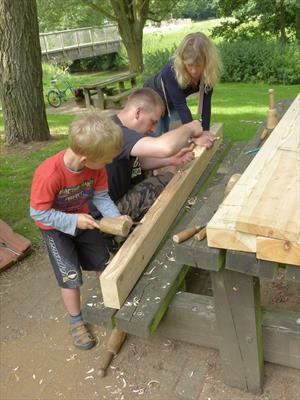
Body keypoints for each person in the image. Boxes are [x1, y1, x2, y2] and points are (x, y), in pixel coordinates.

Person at [30, 112, 131, 351]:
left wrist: (114, 217)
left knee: (103, 262)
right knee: (70, 276)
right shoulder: (48, 175)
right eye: (106, 160)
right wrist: (73, 220)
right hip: (55, 229)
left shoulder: (96, 168)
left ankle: (114, 302)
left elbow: (101, 195)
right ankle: (76, 320)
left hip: (83, 220)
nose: (108, 164)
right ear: (85, 159)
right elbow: (39, 214)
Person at [105, 87, 216, 223]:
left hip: (115, 199)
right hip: (106, 214)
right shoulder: (117, 133)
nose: (153, 129)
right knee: (165, 180)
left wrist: (170, 160)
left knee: (150, 176)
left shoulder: (117, 126)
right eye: (153, 122)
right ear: (138, 112)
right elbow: (165, 147)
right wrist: (189, 128)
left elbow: (142, 162)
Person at [144, 32, 222, 135]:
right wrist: (195, 134)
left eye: (198, 65)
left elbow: (206, 105)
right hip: (151, 98)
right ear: (182, 61)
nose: (194, 71)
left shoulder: (207, 73)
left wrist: (205, 131)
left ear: (207, 61)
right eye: (189, 65)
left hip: (173, 102)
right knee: (155, 136)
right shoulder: (171, 70)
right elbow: (181, 106)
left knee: (177, 136)